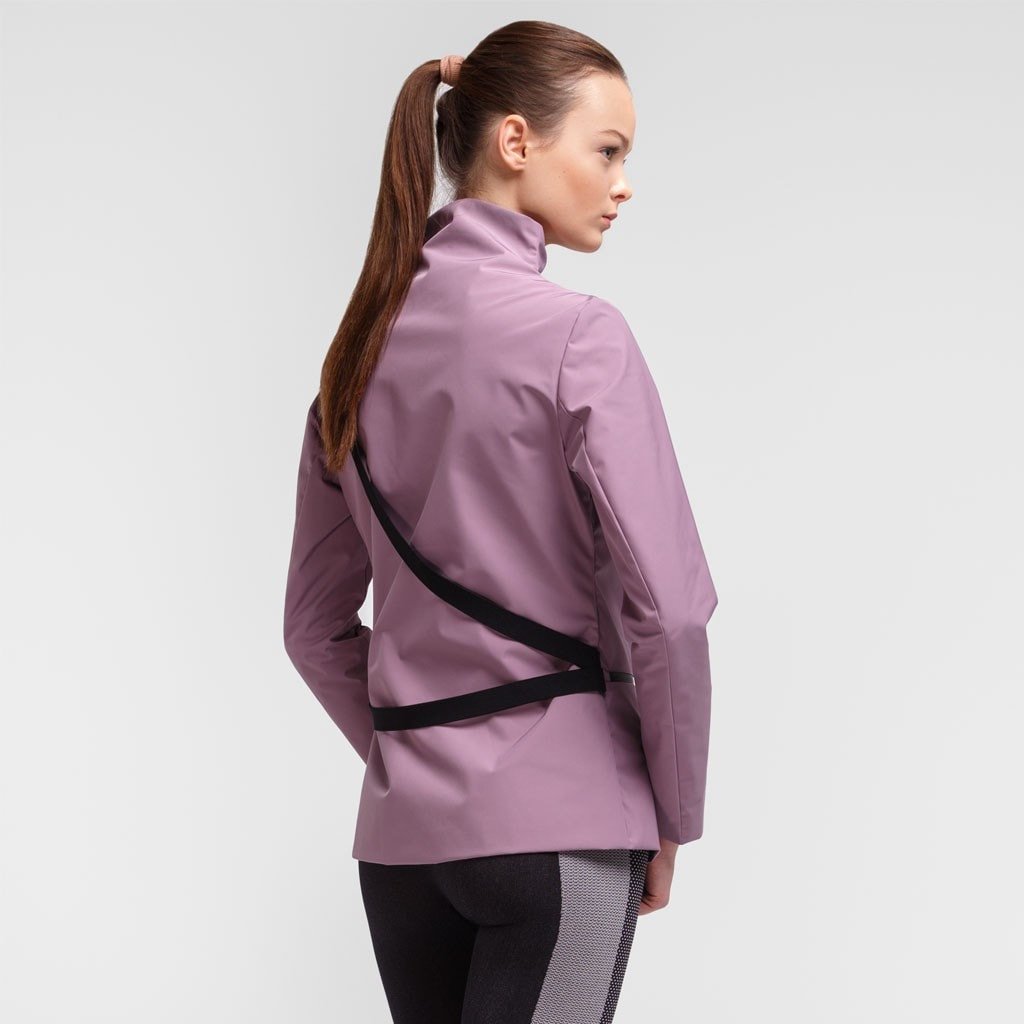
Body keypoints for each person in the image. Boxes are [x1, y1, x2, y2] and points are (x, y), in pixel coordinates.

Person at [282, 19, 718, 1024]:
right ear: (516, 141)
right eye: (607, 150)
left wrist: (418, 754)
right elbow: (672, 612)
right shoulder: (580, 338)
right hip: (559, 824)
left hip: (401, 850)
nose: (622, 183)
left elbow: (311, 629)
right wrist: (673, 812)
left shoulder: (353, 359)